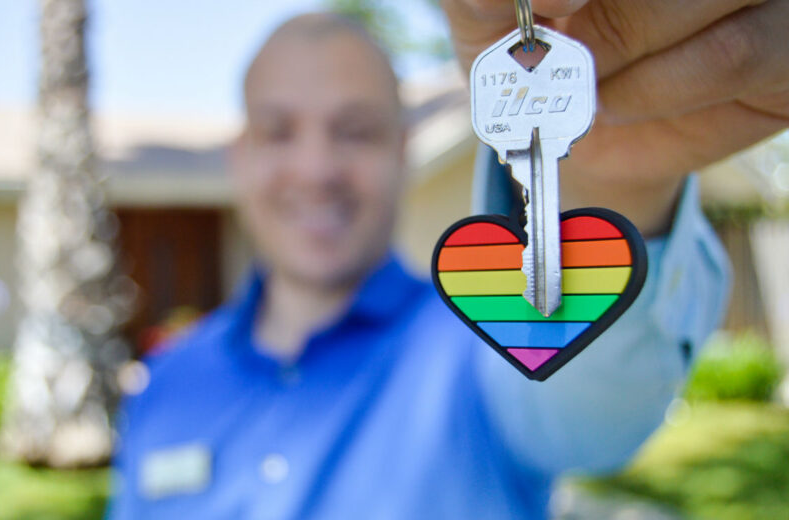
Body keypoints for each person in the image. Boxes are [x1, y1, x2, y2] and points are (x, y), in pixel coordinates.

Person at [107, 1, 787, 518]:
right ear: (240, 156)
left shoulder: (482, 340)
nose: (316, 168)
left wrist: (616, 184)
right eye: (279, 131)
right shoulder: (165, 385)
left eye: (356, 131)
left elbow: (595, 421)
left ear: (403, 152)